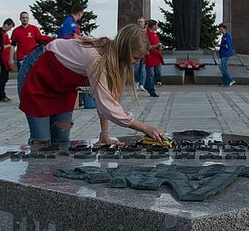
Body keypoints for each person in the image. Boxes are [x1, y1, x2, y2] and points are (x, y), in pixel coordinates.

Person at [18, 24, 167, 145]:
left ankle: (56, 182)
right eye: (135, 57)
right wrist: (145, 128)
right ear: (124, 50)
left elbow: (107, 98)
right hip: (38, 76)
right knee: (42, 141)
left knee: (62, 141)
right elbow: (107, 107)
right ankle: (35, 179)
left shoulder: (111, 56)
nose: (136, 62)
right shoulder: (96, 59)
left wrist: (105, 134)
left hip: (62, 87)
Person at [0, 18, 15, 102]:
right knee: (3, 77)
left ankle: (3, 94)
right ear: (6, 25)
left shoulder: (4, 33)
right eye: (9, 27)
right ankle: (1, 96)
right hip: (2, 57)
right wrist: (9, 46)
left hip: (6, 57)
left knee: (5, 77)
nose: (9, 29)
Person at [143, 19, 164, 97]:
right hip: (150, 56)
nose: (157, 27)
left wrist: (159, 47)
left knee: (158, 73)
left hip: (156, 56)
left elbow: (156, 44)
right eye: (156, 25)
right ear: (153, 26)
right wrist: (156, 46)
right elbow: (146, 46)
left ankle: (146, 84)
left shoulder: (155, 34)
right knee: (150, 74)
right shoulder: (146, 34)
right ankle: (152, 90)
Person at [134, 16, 147, 91]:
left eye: (141, 22)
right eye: (139, 22)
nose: (140, 23)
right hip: (137, 53)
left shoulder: (146, 32)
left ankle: (142, 84)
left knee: (143, 69)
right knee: (136, 69)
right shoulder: (134, 32)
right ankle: (137, 82)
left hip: (144, 53)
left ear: (144, 23)